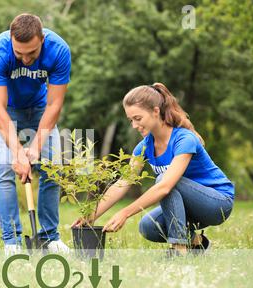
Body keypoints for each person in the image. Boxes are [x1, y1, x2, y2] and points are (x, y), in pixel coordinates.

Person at [72, 83, 235, 257]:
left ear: (156, 111)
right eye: (131, 120)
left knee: (164, 181)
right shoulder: (143, 147)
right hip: (188, 205)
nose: (134, 125)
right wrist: (91, 215)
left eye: (138, 118)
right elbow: (123, 182)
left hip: (217, 203)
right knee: (148, 226)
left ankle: (179, 250)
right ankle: (198, 243)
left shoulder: (184, 139)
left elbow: (165, 187)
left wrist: (125, 213)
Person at [0, 13, 71, 254]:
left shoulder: (59, 50)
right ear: (11, 40)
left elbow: (54, 105)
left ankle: (50, 237)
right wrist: (18, 153)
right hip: (3, 109)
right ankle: (12, 242)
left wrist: (36, 146)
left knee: (53, 166)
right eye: (20, 54)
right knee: (4, 167)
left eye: (32, 53)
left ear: (42, 39)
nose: (26, 59)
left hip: (41, 108)